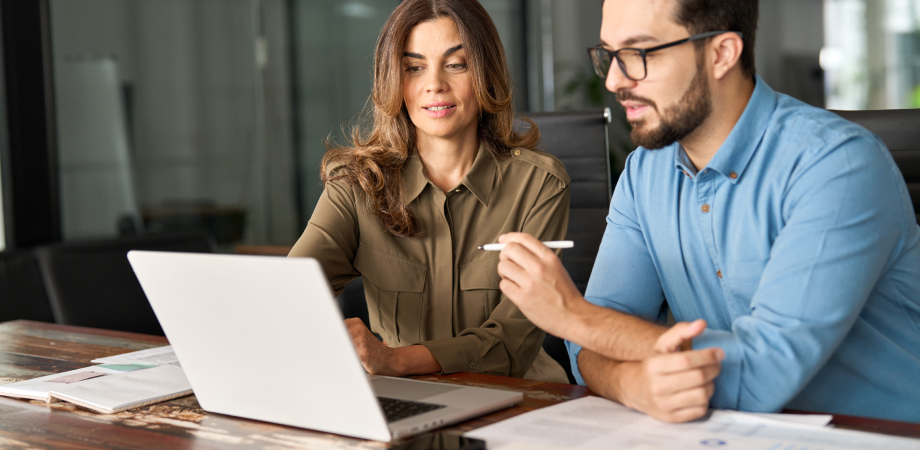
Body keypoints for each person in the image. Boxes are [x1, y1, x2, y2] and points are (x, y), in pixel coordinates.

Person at [496, 0, 920, 423]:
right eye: (609, 55)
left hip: (878, 436)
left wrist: (573, 315)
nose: (613, 80)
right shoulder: (646, 172)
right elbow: (590, 345)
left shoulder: (837, 166)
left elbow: (761, 372)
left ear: (721, 54)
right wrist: (632, 385)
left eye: (638, 54)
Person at [288, 0, 570, 383]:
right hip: (401, 399)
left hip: (517, 398)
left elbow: (513, 340)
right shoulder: (355, 184)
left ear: (486, 73)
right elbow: (291, 290)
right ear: (394, 80)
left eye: (456, 64)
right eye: (414, 67)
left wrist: (397, 360)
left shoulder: (539, 185)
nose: (434, 84)